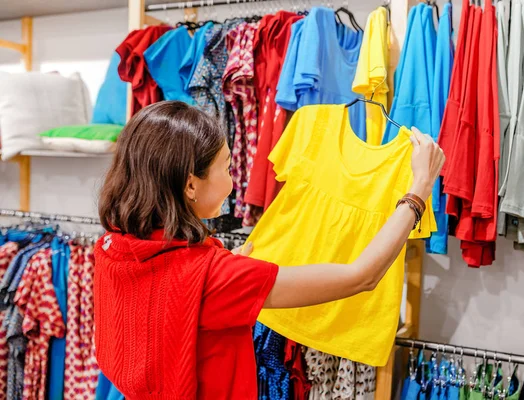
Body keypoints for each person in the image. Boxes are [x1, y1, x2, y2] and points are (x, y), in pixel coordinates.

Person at [94, 101, 445, 400]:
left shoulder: (113, 247)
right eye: (228, 167)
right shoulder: (216, 277)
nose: (233, 182)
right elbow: (361, 277)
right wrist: (419, 188)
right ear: (190, 184)